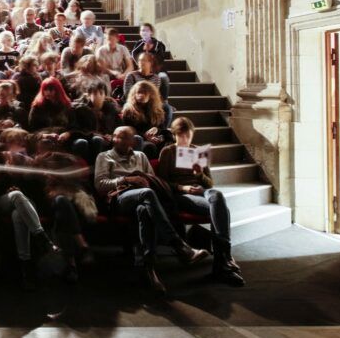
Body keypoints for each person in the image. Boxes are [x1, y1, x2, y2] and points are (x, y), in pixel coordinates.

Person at [94, 126, 207, 294]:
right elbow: (100, 185)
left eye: (123, 137)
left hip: (142, 197)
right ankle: (178, 245)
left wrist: (144, 180)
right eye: (116, 136)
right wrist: (126, 179)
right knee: (147, 194)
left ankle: (148, 270)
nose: (117, 140)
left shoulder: (141, 156)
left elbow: (151, 179)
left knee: (144, 210)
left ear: (132, 141)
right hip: (118, 198)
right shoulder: (104, 156)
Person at [156, 118, 244, 286]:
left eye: (188, 136)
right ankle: (224, 260)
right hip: (181, 194)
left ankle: (221, 258)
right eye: (181, 136)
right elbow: (163, 182)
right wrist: (184, 188)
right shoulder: (168, 151)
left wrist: (199, 175)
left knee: (217, 196)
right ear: (175, 135)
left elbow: (210, 183)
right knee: (221, 211)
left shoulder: (199, 151)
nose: (185, 140)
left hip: (202, 191)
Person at [120, 80, 171, 159]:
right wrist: (145, 137)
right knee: (150, 147)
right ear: (134, 94)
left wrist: (156, 129)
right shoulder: (129, 109)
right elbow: (129, 130)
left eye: (144, 93)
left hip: (154, 137)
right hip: (138, 139)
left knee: (168, 142)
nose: (141, 95)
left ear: (151, 95)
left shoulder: (157, 109)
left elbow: (162, 127)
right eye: (138, 92)